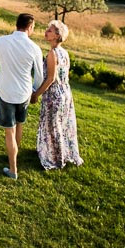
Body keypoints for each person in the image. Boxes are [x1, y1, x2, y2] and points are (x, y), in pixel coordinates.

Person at [0, 13, 44, 179]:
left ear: (17, 24)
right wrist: (33, 90)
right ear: (30, 27)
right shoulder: (34, 48)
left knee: (9, 132)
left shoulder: (0, 41)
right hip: (24, 93)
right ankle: (13, 158)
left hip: (5, 91)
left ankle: (13, 169)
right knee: (19, 126)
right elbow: (39, 76)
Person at [30, 20, 83, 170]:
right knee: (63, 124)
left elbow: (51, 78)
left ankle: (56, 157)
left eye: (50, 30)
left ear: (57, 35)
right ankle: (63, 153)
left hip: (54, 94)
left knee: (54, 125)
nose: (46, 32)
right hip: (66, 93)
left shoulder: (53, 54)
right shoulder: (65, 53)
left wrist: (36, 94)